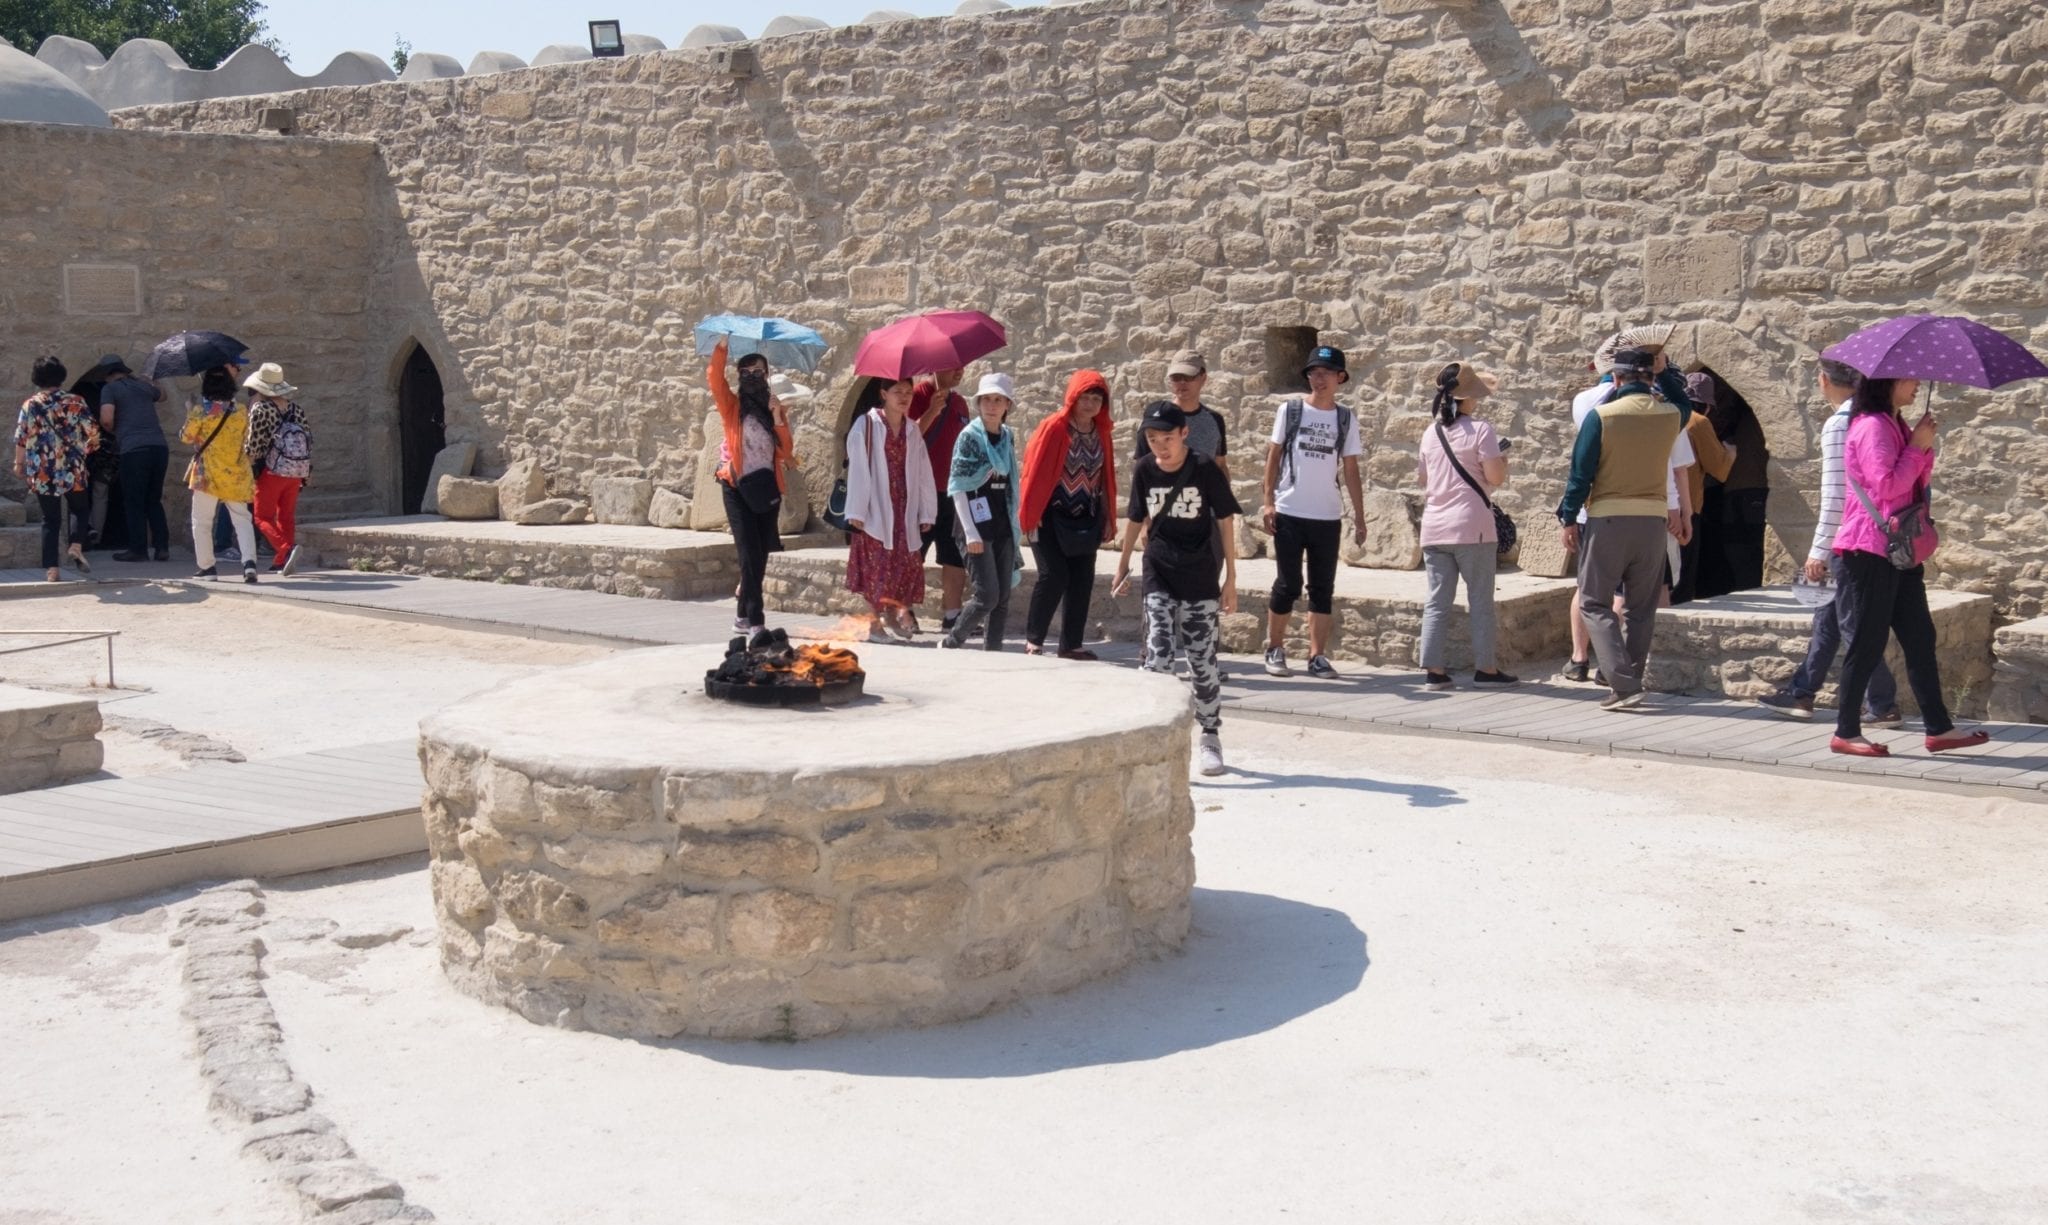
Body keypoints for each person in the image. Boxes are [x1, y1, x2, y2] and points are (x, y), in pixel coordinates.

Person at [1827, 376, 1988, 758]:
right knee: (1867, 642)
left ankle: (1939, 729)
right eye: (1909, 379)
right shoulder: (1871, 426)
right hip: (1868, 550)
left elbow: (1914, 482)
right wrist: (1917, 448)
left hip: (1899, 549)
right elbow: (1886, 488)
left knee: (1919, 637)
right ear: (1888, 382)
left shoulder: (1895, 424)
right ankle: (1846, 732)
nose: (1916, 384)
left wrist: (1920, 445)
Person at [1757, 359, 1899, 726]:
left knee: (1850, 625)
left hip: (1848, 539)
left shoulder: (1841, 423)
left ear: (1823, 381)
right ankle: (1802, 691)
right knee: (1830, 620)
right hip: (1870, 538)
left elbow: (1837, 493)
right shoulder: (1881, 418)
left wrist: (1818, 550)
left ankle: (1882, 704)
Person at [1555, 347, 1691, 711]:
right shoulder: (1668, 415)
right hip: (1653, 522)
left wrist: (1569, 517)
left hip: (1608, 518)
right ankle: (1630, 677)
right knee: (1641, 607)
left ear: (1615, 378)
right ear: (1650, 379)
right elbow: (1685, 404)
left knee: (1593, 601)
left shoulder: (1601, 416)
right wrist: (1664, 372)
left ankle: (1622, 682)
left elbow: (1580, 475)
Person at [1114, 401, 1240, 776]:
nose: (1160, 446)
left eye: (1167, 438)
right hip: (1159, 567)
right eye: (1152, 439)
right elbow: (1136, 518)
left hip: (1200, 572)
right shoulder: (1144, 470)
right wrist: (1122, 564)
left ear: (1184, 433)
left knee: (1202, 661)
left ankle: (1210, 736)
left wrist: (1231, 577)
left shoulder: (1203, 469)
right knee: (1158, 657)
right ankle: (1155, 739)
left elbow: (1225, 520)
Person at [1260, 344, 1366, 679]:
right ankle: (1275, 648)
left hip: (1327, 515)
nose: (1318, 379)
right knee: (1288, 584)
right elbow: (1273, 457)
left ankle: (1317, 656)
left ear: (1340, 378)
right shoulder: (1290, 411)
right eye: (1313, 373)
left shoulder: (1345, 418)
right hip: (1290, 510)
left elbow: (1351, 469)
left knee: (1322, 588)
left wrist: (1359, 517)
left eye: (1325, 373)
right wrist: (1268, 501)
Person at [1416, 362, 1516, 689]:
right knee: (1481, 601)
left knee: (1437, 601)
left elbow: (1423, 479)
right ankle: (1486, 669)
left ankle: (1433, 669)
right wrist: (1502, 459)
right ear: (1467, 399)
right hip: (1472, 527)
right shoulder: (1481, 430)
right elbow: (1495, 477)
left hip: (1434, 527)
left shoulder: (1430, 433)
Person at [1019, 369, 1119, 660]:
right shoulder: (1054, 427)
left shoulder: (1102, 432)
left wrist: (1108, 517)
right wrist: (1031, 511)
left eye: (1096, 398)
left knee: (1082, 579)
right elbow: (1032, 470)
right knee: (1053, 576)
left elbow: (1106, 478)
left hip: (1085, 517)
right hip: (1049, 514)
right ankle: (1034, 641)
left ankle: (1070, 644)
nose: (1089, 404)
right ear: (1072, 398)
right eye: (1084, 397)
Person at [707, 338, 795, 635]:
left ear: (767, 375)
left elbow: (785, 453)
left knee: (762, 552)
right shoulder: (732, 407)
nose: (752, 378)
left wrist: (778, 417)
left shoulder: (774, 408)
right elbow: (714, 380)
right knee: (748, 553)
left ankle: (742, 615)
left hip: (767, 487)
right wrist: (721, 348)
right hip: (736, 486)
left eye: (758, 372)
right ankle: (757, 623)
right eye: (745, 373)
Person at [844, 374, 936, 641]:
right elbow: (859, 469)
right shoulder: (867, 425)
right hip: (875, 507)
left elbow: (923, 471)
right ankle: (873, 625)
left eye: (908, 391)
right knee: (878, 567)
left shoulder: (912, 429)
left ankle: (892, 619)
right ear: (883, 394)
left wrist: (927, 510)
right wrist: (858, 511)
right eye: (897, 391)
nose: (904, 397)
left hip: (903, 507)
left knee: (902, 566)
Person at [939, 373, 1023, 651]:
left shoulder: (1007, 437)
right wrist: (971, 531)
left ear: (1007, 404)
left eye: (998, 400)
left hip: (1001, 519)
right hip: (973, 522)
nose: (991, 405)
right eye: (986, 399)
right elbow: (959, 485)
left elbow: (1009, 483)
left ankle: (994, 651)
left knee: (1002, 597)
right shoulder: (969, 437)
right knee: (987, 595)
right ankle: (952, 641)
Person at [13, 355, 98, 583]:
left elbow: (21, 438)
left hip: (43, 470)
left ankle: (52, 570)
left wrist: (18, 464)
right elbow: (93, 434)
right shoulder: (76, 402)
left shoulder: (30, 405)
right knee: (80, 509)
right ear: (61, 376)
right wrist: (83, 451)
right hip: (73, 467)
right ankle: (76, 545)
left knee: (50, 519)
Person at [1695, 368, 1771, 597]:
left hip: (1741, 489)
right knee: (1740, 546)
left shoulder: (1739, 422)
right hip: (1740, 490)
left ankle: (1743, 590)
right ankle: (1745, 590)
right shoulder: (1706, 424)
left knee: (1739, 547)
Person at [181, 366, 259, 583]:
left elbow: (186, 437)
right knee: (242, 519)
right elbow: (245, 436)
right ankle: (249, 564)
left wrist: (190, 410)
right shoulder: (241, 410)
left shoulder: (200, 411)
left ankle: (207, 567)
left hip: (208, 474)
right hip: (235, 471)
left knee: (203, 522)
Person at [909, 367, 970, 634]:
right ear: (935, 366)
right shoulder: (916, 395)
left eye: (962, 366)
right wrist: (931, 411)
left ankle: (953, 615)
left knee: (954, 554)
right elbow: (905, 440)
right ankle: (904, 610)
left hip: (953, 490)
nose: (959, 372)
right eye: (952, 367)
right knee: (914, 553)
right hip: (922, 491)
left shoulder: (959, 402)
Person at [1670, 371, 1736, 605]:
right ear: (1707, 406)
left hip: (1655, 505)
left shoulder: (1665, 413)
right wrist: (1729, 451)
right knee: (1682, 574)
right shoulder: (1697, 421)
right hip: (1686, 506)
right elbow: (1719, 468)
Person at [242, 363, 313, 576]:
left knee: (261, 516)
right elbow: (309, 439)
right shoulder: (295, 408)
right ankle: (283, 560)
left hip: (271, 470)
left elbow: (254, 444)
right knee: (286, 515)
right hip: (296, 469)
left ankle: (286, 548)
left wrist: (249, 464)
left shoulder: (261, 409)